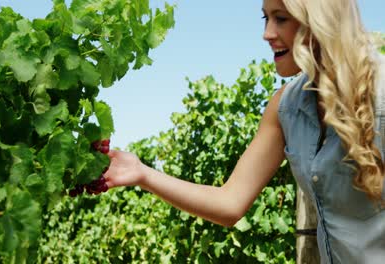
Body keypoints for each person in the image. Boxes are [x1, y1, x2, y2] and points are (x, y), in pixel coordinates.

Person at [102, 0, 385, 263]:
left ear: (319, 20)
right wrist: (141, 173)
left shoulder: (380, 92)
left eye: (281, 18)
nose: (267, 33)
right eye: (266, 18)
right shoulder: (285, 108)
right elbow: (229, 202)